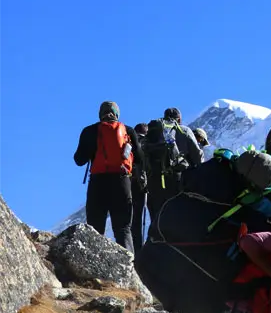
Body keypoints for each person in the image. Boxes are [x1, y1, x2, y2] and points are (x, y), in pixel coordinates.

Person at [73, 101, 142, 252]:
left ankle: (92, 269)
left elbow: (79, 160)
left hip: (98, 183)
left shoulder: (90, 131)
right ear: (117, 114)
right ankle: (129, 271)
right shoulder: (128, 131)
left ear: (100, 114)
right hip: (122, 182)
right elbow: (140, 159)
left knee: (95, 229)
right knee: (123, 229)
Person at [144, 108, 204, 240]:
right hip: (177, 179)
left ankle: (154, 248)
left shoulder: (154, 133)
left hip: (154, 180)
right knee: (178, 216)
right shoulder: (184, 130)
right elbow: (198, 157)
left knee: (157, 218)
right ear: (179, 119)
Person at [131, 123, 149, 253]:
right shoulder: (146, 143)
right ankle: (138, 251)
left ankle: (131, 248)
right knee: (138, 218)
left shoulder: (128, 142)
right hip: (140, 185)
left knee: (130, 219)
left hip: (125, 182)